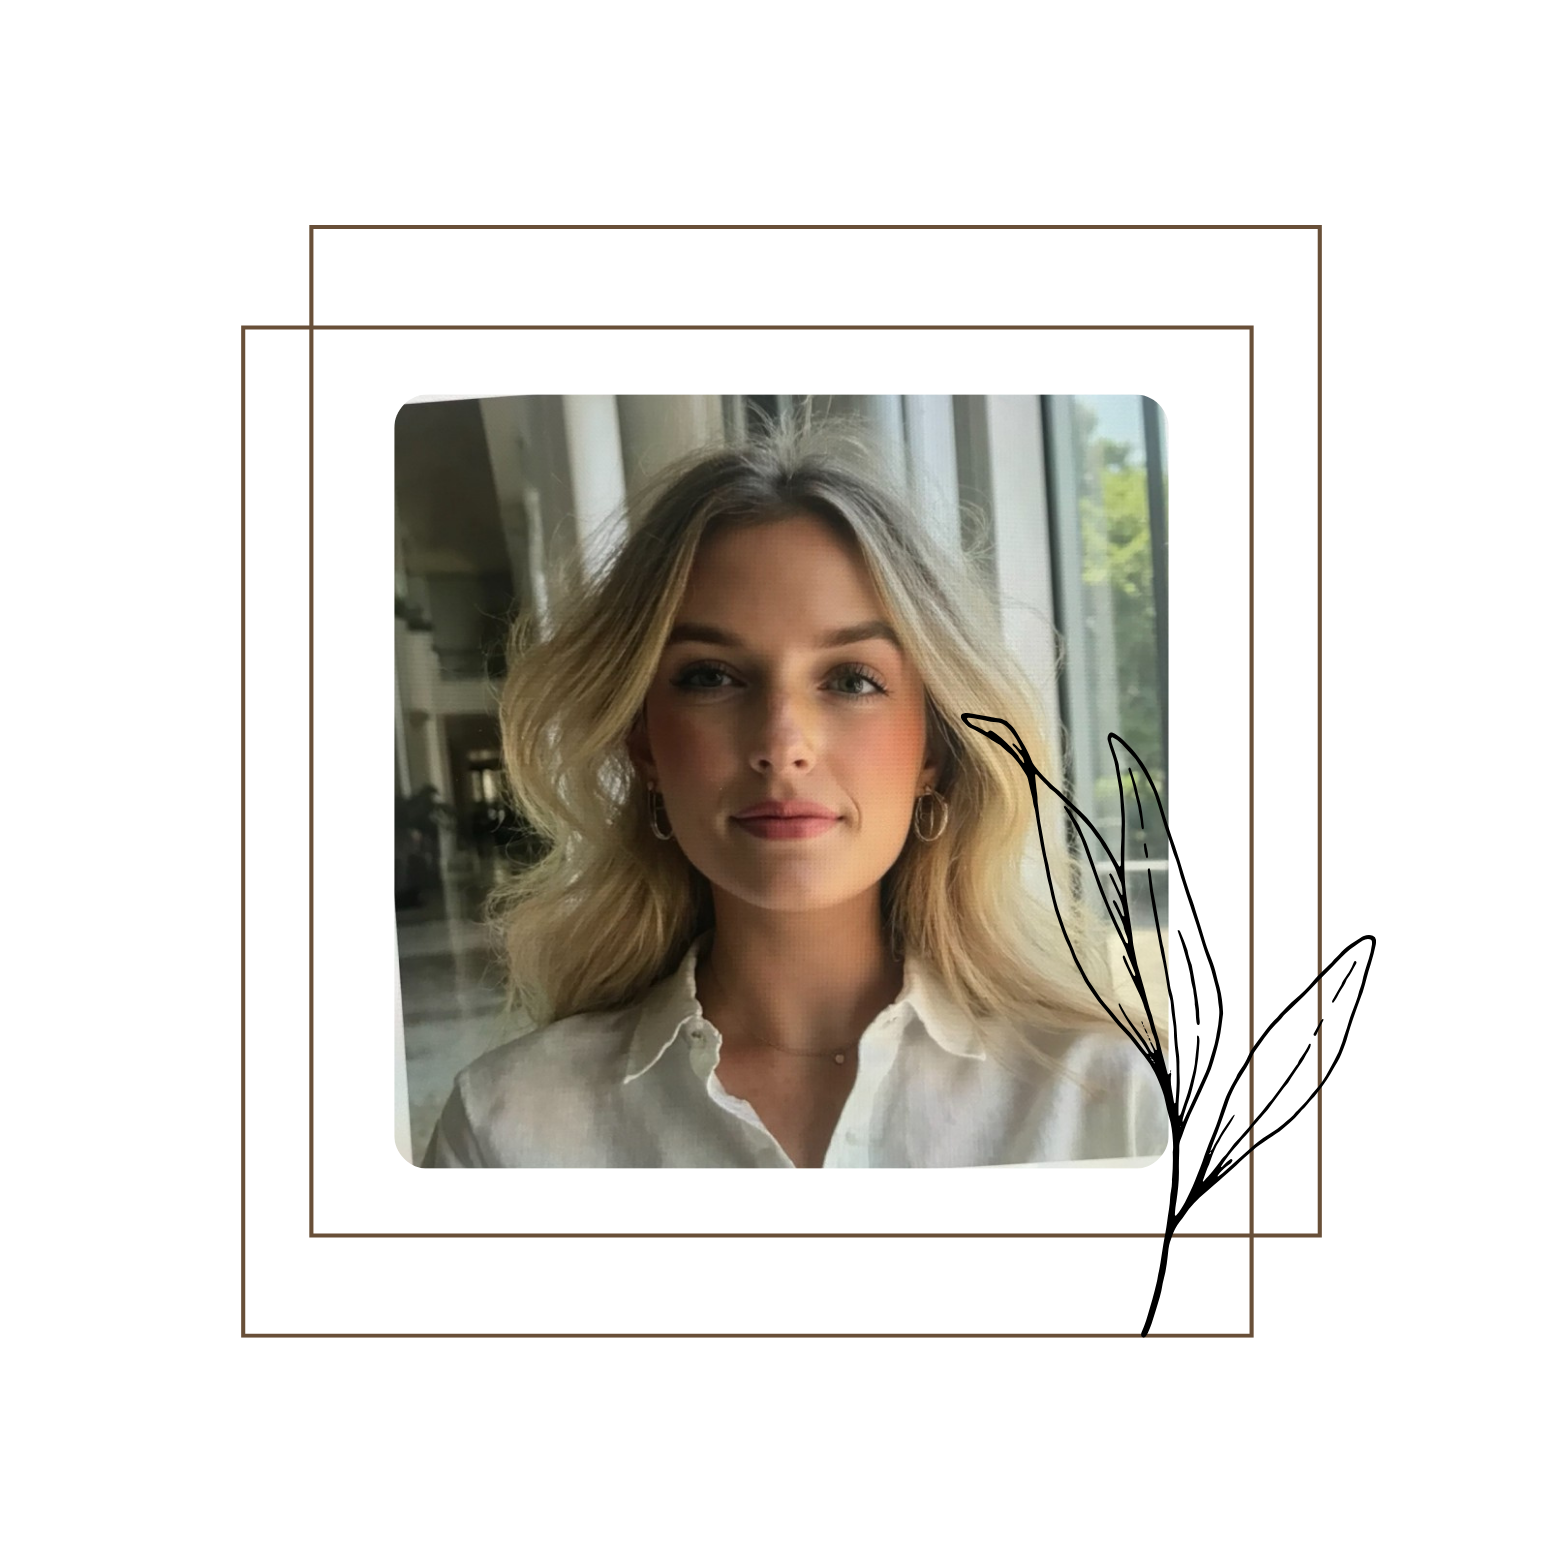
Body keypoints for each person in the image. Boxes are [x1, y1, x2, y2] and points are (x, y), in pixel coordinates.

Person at [421, 415, 1168, 1183]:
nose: (782, 743)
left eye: (851, 679)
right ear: (642, 742)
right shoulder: (505, 1129)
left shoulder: (1110, 1102)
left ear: (934, 750)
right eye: (711, 676)